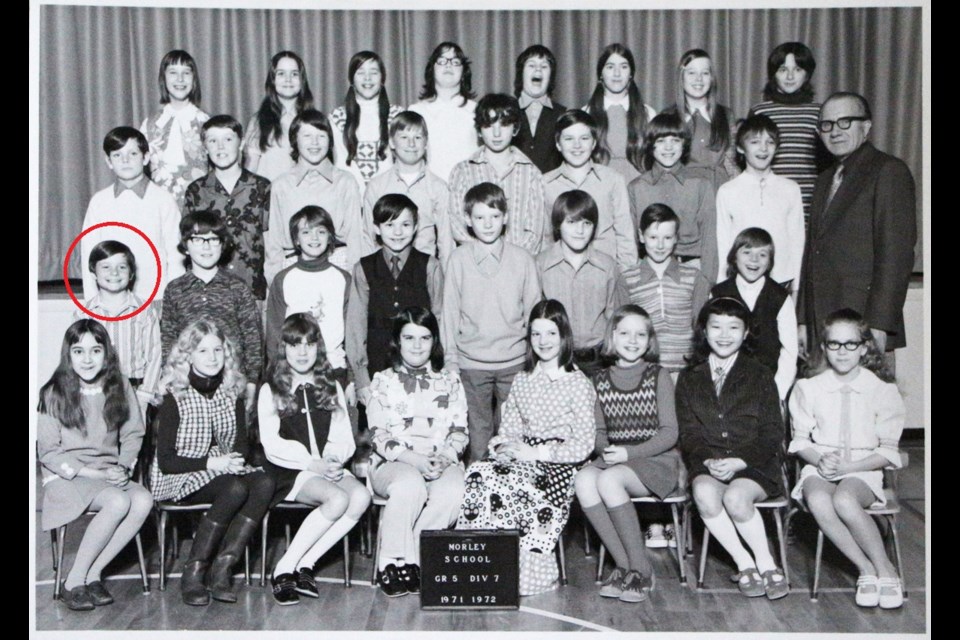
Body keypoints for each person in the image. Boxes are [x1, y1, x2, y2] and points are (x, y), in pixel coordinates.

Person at [457, 299, 596, 596]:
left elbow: (584, 443)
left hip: (559, 463)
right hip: (522, 455)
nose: (543, 341)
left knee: (518, 485)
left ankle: (528, 573)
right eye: (536, 334)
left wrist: (538, 454)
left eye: (550, 333)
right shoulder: (522, 379)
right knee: (480, 473)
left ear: (564, 336)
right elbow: (508, 428)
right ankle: (481, 566)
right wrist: (505, 448)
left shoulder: (577, 382)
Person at [150, 320, 275, 606]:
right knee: (234, 489)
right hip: (178, 475)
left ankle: (222, 570)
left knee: (264, 482)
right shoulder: (174, 394)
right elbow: (166, 461)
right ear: (187, 355)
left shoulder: (232, 391)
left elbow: (241, 444)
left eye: (218, 350)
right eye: (202, 350)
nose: (212, 357)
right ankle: (194, 572)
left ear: (226, 354)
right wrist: (215, 463)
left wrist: (233, 460)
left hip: (222, 469)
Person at [788, 308, 905, 609]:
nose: (842, 352)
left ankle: (886, 569)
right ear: (824, 347)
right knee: (819, 499)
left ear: (864, 347)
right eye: (834, 344)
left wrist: (850, 467)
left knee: (844, 499)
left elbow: (888, 451)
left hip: (864, 467)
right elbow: (800, 441)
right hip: (820, 465)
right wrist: (820, 459)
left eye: (850, 344)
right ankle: (865, 569)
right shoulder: (807, 387)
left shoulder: (881, 390)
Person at [676, 297, 788, 601]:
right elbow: (688, 433)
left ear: (746, 332)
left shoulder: (760, 374)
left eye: (733, 327)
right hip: (708, 462)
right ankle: (744, 562)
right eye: (716, 327)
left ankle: (766, 563)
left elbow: (772, 433)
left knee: (737, 497)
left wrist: (740, 460)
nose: (724, 335)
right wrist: (707, 460)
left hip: (754, 464)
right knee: (704, 492)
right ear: (704, 330)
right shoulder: (689, 377)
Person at [38, 320, 152, 611]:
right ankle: (73, 582)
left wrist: (123, 466)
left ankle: (92, 573)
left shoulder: (119, 385)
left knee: (142, 500)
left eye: (95, 350)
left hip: (107, 471)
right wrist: (96, 473)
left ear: (106, 354)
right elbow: (48, 452)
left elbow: (133, 433)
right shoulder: (52, 392)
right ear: (68, 355)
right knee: (116, 500)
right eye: (78, 351)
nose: (87, 359)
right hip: (67, 475)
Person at [259, 313, 368, 606]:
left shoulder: (329, 385)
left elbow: (343, 434)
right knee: (337, 499)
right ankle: (283, 568)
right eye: (295, 345)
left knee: (360, 497)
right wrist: (311, 463)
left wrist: (333, 458)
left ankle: (306, 563)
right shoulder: (271, 388)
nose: (303, 352)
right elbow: (271, 444)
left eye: (309, 344)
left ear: (319, 348)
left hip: (324, 466)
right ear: (284, 348)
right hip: (289, 470)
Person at [574, 305, 680, 603]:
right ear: (612, 337)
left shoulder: (658, 375)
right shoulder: (599, 380)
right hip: (617, 459)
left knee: (609, 482)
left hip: (656, 460)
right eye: (624, 333)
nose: (632, 340)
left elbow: (670, 432)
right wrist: (604, 451)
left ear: (650, 340)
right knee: (583, 479)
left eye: (640, 334)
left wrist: (629, 453)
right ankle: (624, 566)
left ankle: (643, 569)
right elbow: (598, 432)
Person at [798, 92, 917, 358]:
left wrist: (878, 324)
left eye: (845, 122)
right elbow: (812, 254)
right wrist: (804, 320)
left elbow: (896, 256)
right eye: (827, 124)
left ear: (866, 126)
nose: (835, 131)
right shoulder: (824, 180)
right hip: (822, 324)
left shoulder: (888, 171)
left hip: (863, 325)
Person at [366, 307, 469, 597]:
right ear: (397, 341)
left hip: (439, 459)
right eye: (409, 337)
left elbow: (460, 431)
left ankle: (413, 556)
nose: (417, 345)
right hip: (394, 462)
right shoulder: (382, 381)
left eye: (424, 338)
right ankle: (390, 561)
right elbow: (378, 435)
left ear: (434, 341)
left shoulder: (450, 380)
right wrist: (415, 461)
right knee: (410, 485)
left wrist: (444, 457)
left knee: (456, 489)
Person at [440, 182, 541, 464]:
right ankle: (478, 501)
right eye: (480, 217)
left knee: (514, 439)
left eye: (495, 216)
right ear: (468, 221)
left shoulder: (522, 260)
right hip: (472, 365)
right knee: (478, 437)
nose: (488, 224)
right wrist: (451, 360)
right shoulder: (458, 260)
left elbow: (535, 313)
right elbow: (449, 314)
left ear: (506, 217)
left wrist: (535, 361)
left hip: (515, 362)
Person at [346, 194, 443, 406]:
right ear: (377, 228)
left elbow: (440, 319)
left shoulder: (430, 266)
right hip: (377, 368)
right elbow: (356, 326)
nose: (398, 232)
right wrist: (361, 379)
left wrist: (438, 368)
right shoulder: (363, 268)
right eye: (390, 225)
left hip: (422, 368)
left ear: (416, 227)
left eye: (405, 224)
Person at [161, 211, 262, 407]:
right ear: (186, 246)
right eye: (198, 239)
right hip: (187, 385)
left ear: (222, 245)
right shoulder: (175, 290)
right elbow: (168, 339)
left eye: (213, 239)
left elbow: (252, 339)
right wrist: (170, 376)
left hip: (231, 383)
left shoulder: (238, 288)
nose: (206, 247)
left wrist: (251, 382)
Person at [80, 127, 183, 304]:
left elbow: (176, 257)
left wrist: (171, 302)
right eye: (117, 155)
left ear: (146, 158)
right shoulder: (99, 202)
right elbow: (89, 254)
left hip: (155, 300)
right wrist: (92, 302)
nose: (125, 160)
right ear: (108, 161)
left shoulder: (163, 200)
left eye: (133, 153)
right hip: (109, 301)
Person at [265, 109, 363, 281]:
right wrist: (274, 281)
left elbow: (355, 239)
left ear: (330, 141)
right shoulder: (281, 185)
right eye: (307, 136)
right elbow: (274, 243)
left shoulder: (346, 182)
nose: (315, 143)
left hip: (337, 264)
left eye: (321, 136)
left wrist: (355, 282)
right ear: (295, 140)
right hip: (293, 265)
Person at [615, 203, 711, 376]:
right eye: (653, 237)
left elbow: (701, 329)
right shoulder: (627, 280)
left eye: (667, 238)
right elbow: (621, 331)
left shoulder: (694, 278)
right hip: (644, 373)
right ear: (641, 236)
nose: (660, 245)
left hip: (686, 373)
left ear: (676, 238)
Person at [184, 115, 272, 302]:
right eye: (213, 140)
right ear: (205, 147)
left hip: (252, 292)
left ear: (241, 144)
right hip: (208, 294)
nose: (220, 147)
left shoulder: (262, 187)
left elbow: (271, 240)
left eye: (228, 139)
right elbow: (188, 244)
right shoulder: (196, 191)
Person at [447, 93, 548, 254]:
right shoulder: (463, 171)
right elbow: (458, 225)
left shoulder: (531, 173)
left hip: (519, 267)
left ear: (515, 129)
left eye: (504, 125)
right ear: (479, 130)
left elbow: (535, 232)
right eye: (489, 125)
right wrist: (484, 257)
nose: (496, 133)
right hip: (475, 266)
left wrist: (510, 262)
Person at [715, 114, 805, 294]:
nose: (763, 149)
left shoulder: (791, 189)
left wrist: (796, 288)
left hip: (781, 282)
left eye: (770, 142)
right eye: (755, 142)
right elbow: (723, 242)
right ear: (741, 148)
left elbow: (797, 241)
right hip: (740, 282)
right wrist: (722, 285)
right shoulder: (727, 191)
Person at [265, 206, 351, 391]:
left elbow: (352, 334)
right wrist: (276, 376)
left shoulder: (343, 278)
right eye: (306, 232)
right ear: (296, 239)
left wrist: (351, 379)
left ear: (330, 237)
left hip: (333, 369)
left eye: (321, 232)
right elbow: (274, 334)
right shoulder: (283, 279)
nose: (314, 238)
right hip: (292, 371)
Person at [75, 241, 162, 423]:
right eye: (106, 267)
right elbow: (77, 357)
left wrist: (145, 394)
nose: (114, 273)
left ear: (131, 273)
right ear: (94, 272)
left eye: (121, 267)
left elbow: (155, 354)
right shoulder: (83, 314)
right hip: (96, 387)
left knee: (135, 445)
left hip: (135, 388)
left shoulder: (145, 311)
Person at [536, 189, 619, 376]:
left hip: (598, 360)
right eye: (571, 222)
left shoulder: (607, 266)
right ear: (558, 224)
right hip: (556, 360)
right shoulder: (540, 265)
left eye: (587, 223)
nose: (580, 231)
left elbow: (613, 314)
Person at [627, 112, 718, 280]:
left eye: (675, 141)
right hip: (650, 272)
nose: (668, 148)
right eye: (661, 141)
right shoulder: (636, 187)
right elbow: (630, 243)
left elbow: (710, 242)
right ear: (650, 145)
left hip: (691, 270)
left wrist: (707, 282)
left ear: (684, 144)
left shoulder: (701, 185)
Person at [542, 109, 638, 269]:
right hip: (560, 272)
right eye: (569, 139)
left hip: (605, 272)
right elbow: (545, 237)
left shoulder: (613, 180)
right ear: (558, 144)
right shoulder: (545, 183)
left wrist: (626, 277)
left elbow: (625, 236)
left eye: (584, 138)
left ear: (594, 143)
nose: (577, 146)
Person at [712, 228, 797, 402]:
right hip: (727, 386)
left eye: (762, 255)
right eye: (747, 252)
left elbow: (790, 350)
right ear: (734, 257)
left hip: (768, 384)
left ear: (770, 262)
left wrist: (777, 393)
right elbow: (711, 343)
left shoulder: (779, 297)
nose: (754, 260)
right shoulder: (719, 293)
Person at [361, 111, 453, 263]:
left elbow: (446, 242)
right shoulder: (376, 186)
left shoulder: (438, 187)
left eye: (417, 137)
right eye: (404, 137)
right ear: (391, 142)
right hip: (384, 274)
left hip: (424, 274)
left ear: (425, 143)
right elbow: (367, 238)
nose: (411, 144)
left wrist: (446, 281)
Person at [749, 42, 827, 220]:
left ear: (807, 74)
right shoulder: (759, 111)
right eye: (783, 69)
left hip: (809, 200)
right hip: (768, 199)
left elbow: (826, 163)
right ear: (773, 74)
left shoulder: (820, 112)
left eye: (797, 69)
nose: (790, 76)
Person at [140, 49, 210, 208]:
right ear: (163, 79)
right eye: (173, 72)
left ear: (194, 80)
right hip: (158, 207)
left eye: (186, 73)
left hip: (198, 207)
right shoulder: (150, 124)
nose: (180, 79)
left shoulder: (205, 122)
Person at [663, 49, 739, 192]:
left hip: (719, 191)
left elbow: (731, 163)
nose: (698, 79)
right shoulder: (668, 116)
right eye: (691, 73)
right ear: (682, 77)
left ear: (711, 78)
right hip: (681, 191)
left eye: (705, 73)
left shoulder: (726, 115)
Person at [583, 43, 657, 183]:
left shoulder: (648, 114)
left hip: (638, 189)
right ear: (601, 74)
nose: (617, 73)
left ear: (631, 74)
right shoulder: (586, 114)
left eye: (623, 67)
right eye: (610, 67)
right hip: (599, 189)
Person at [330, 51, 404, 189]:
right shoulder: (337, 117)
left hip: (389, 197)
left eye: (374, 72)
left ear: (382, 79)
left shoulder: (398, 115)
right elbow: (340, 164)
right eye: (361, 72)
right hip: (349, 196)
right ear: (351, 80)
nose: (367, 78)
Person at [408, 42, 478, 182]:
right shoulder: (416, 111)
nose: (448, 65)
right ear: (432, 70)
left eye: (455, 61)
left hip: (470, 189)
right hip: (429, 191)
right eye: (441, 61)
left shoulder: (476, 110)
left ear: (464, 72)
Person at [244, 51, 314, 182]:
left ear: (302, 80)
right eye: (281, 74)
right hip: (267, 197)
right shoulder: (259, 121)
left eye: (294, 74)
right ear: (272, 80)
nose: (288, 79)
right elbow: (250, 168)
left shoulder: (313, 121)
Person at [513, 45, 567, 174]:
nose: (538, 69)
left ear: (551, 77)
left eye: (544, 66)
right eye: (531, 65)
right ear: (521, 73)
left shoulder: (562, 114)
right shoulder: (507, 111)